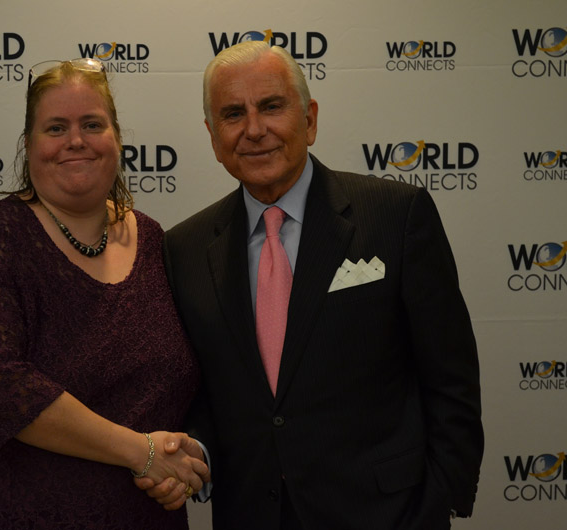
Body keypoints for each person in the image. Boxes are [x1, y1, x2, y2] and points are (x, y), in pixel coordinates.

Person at [140, 41, 483, 529]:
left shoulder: (396, 216)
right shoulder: (184, 247)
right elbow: (201, 391)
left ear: (310, 119)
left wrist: (439, 500)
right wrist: (197, 453)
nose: (254, 129)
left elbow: (451, 377)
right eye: (233, 114)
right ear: (214, 137)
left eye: (271, 106)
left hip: (387, 515)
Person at [0, 58, 208, 529]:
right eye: (56, 128)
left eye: (92, 124)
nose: (76, 141)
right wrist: (140, 452)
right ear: (29, 146)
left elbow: (186, 374)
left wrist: (179, 457)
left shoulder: (153, 240)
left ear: (117, 138)